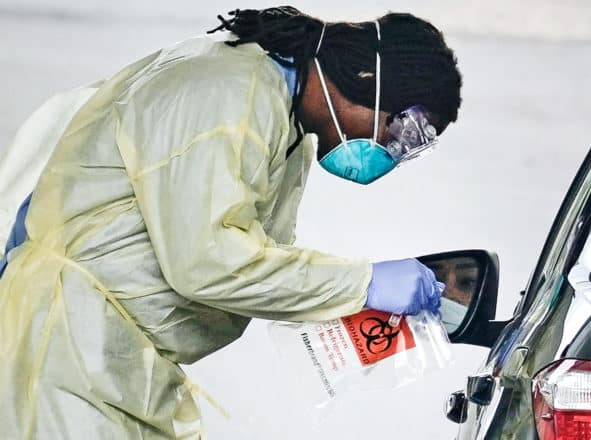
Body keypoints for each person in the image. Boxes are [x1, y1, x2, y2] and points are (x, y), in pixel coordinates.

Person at [0, 6, 463, 439]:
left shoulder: (286, 123)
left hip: (111, 357)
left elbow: (252, 263)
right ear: (368, 77)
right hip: (66, 346)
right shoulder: (231, 95)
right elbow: (209, 262)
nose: (393, 152)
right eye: (405, 132)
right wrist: (361, 283)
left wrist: (347, 310)